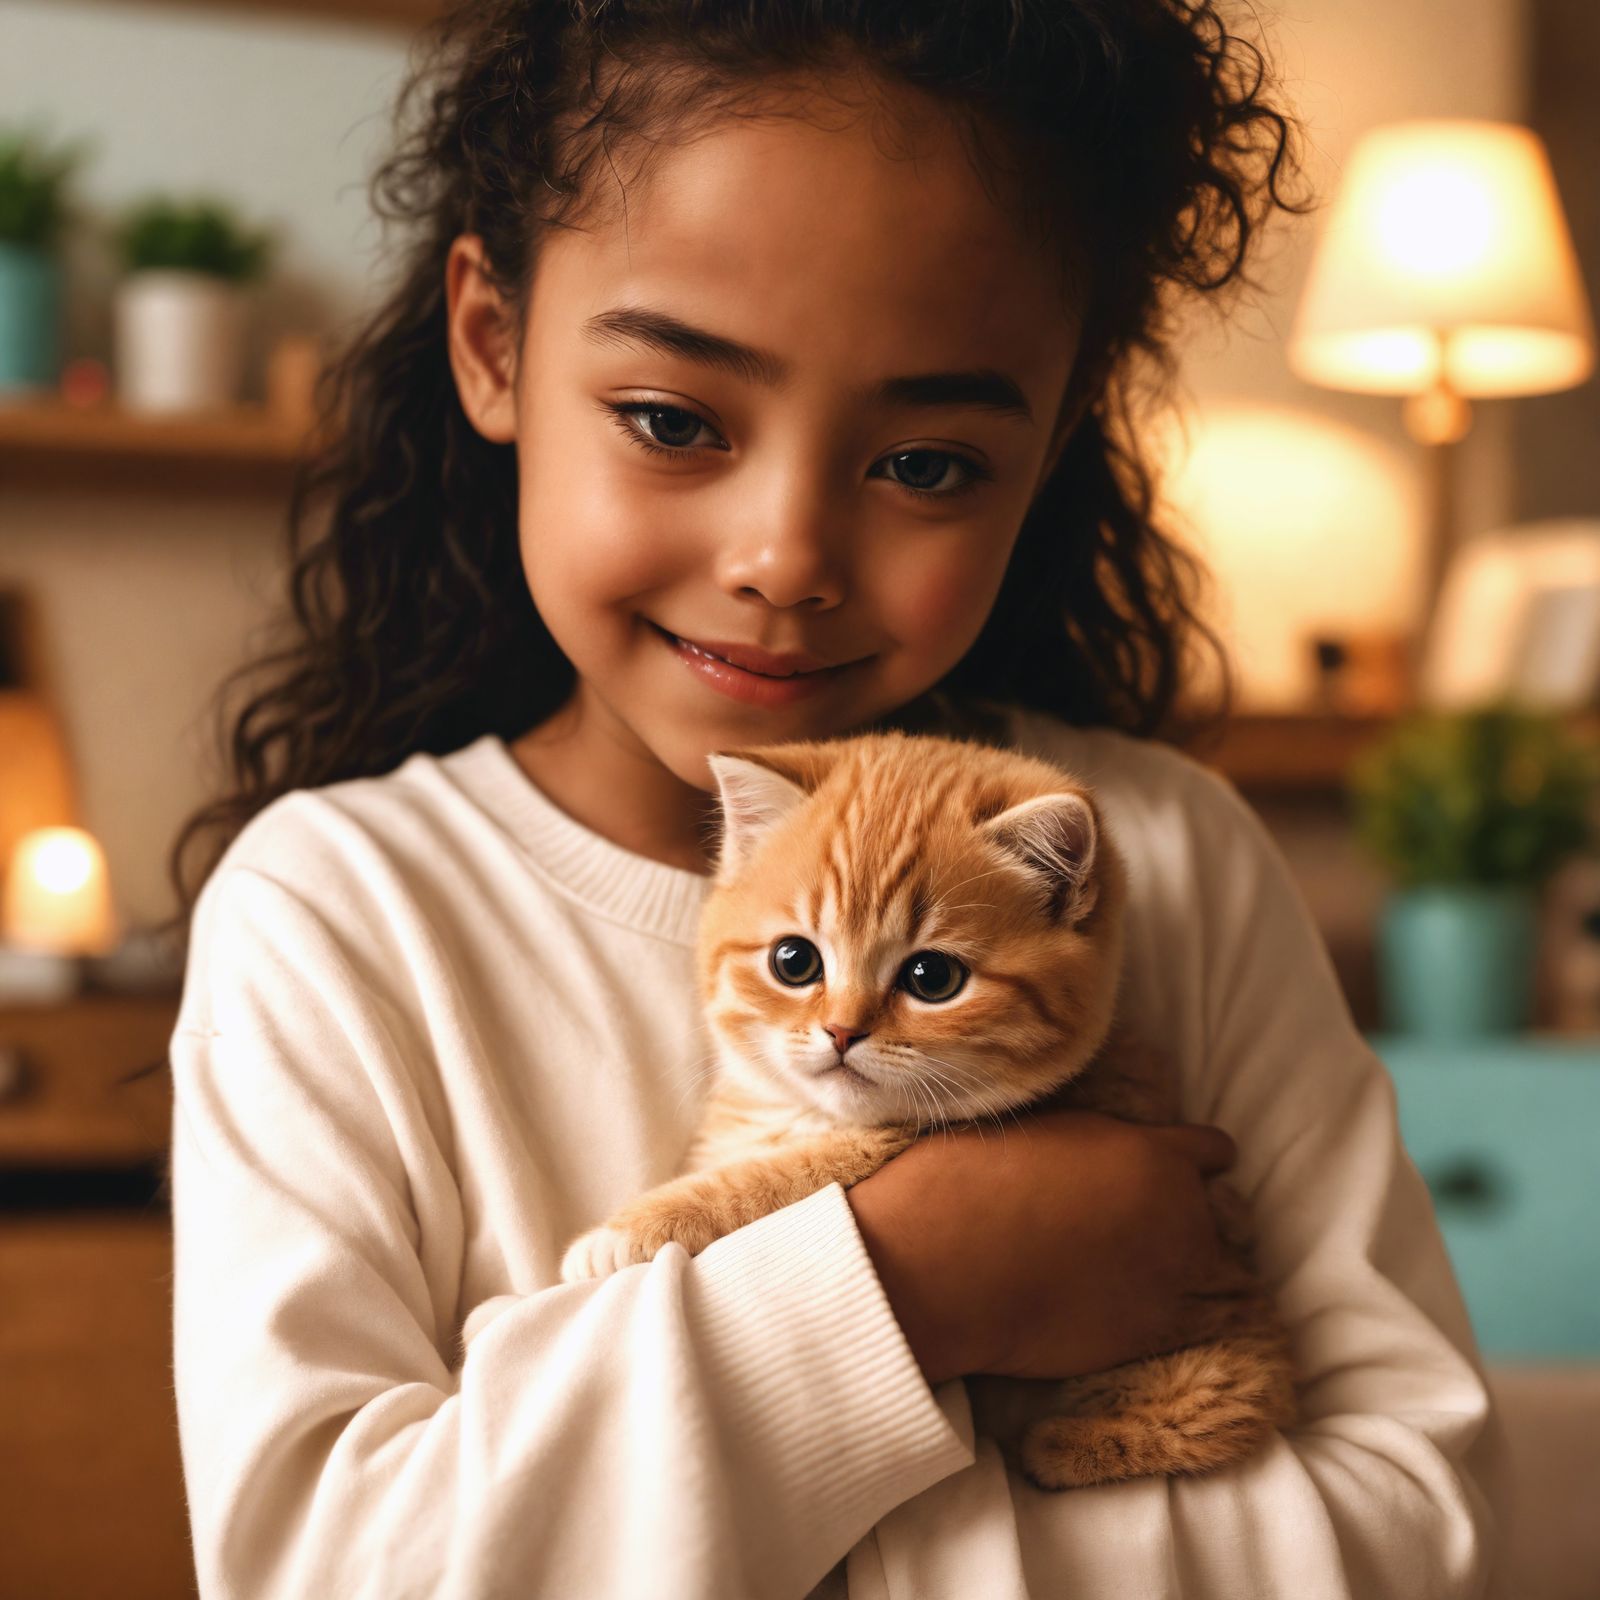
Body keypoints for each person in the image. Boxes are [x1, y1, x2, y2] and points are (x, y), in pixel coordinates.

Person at [164, 1, 1504, 1595]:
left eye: (928, 461)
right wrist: (906, 1283)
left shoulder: (1171, 859)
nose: (785, 558)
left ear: (1056, 435)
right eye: (673, 421)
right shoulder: (336, 914)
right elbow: (335, 1569)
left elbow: (1424, 1522)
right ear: (494, 343)